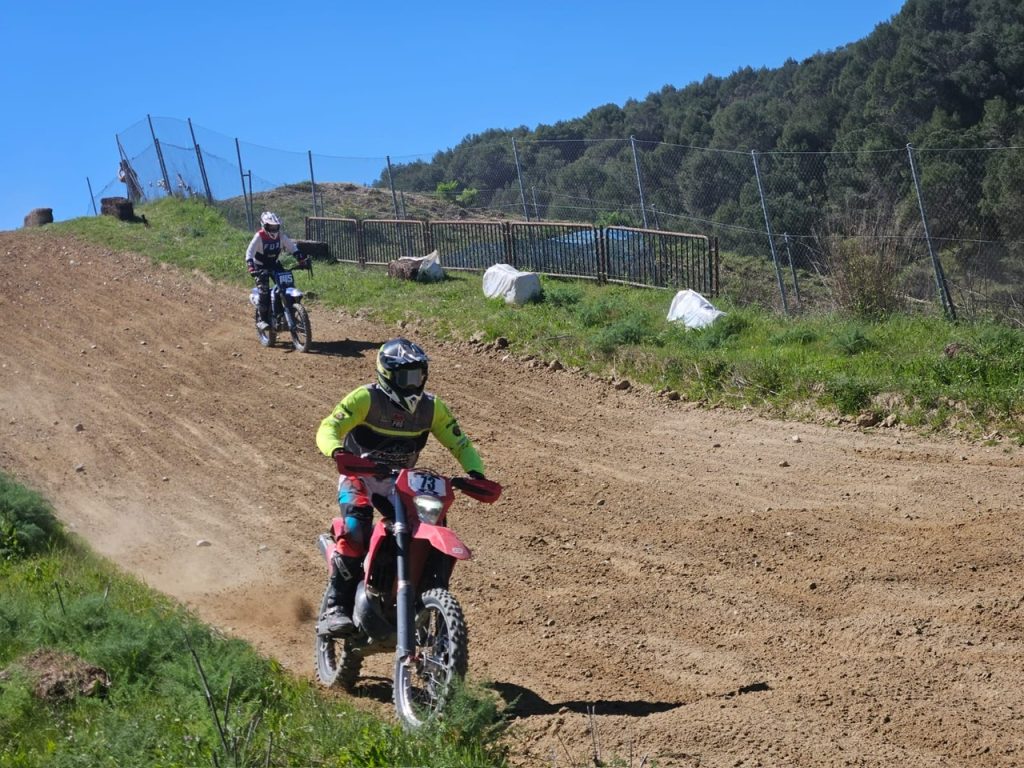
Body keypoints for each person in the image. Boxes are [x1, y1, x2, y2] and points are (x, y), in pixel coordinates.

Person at [315, 337, 487, 636]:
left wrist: (476, 473)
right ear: (388, 375)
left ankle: (424, 596)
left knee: (430, 521)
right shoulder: (365, 398)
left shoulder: (432, 408)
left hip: (400, 482)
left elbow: (460, 443)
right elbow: (329, 426)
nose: (413, 383)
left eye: (418, 376)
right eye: (406, 377)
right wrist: (338, 451)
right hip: (360, 476)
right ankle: (336, 607)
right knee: (355, 528)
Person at [245, 211, 306, 330]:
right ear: (264, 225)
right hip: (260, 266)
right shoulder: (259, 236)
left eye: (275, 226)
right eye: (271, 226)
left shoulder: (281, 236)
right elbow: (249, 252)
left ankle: (290, 315)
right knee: (264, 291)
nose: (273, 229)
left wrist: (301, 259)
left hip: (275, 264)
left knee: (287, 285)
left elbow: (292, 248)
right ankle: (262, 320)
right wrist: (251, 267)